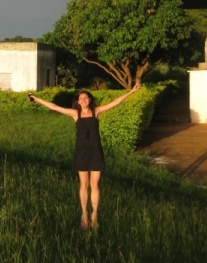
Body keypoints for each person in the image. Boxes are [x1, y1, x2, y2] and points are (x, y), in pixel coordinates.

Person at [28, 83, 142, 229]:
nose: (83, 100)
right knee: (84, 184)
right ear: (77, 102)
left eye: (86, 98)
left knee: (95, 185)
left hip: (95, 151)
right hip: (81, 152)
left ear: (89, 99)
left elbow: (115, 102)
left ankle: (94, 215)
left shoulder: (97, 111)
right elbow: (54, 107)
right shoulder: (76, 114)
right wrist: (36, 99)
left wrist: (131, 91)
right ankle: (84, 214)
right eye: (80, 98)